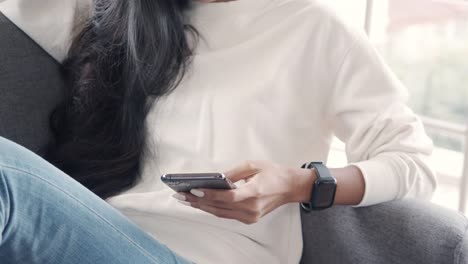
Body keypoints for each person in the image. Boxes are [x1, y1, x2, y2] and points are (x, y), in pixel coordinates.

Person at [0, 0, 437, 263]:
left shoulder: (317, 28)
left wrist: (299, 183)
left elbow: (413, 162)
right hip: (98, 237)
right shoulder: (122, 17)